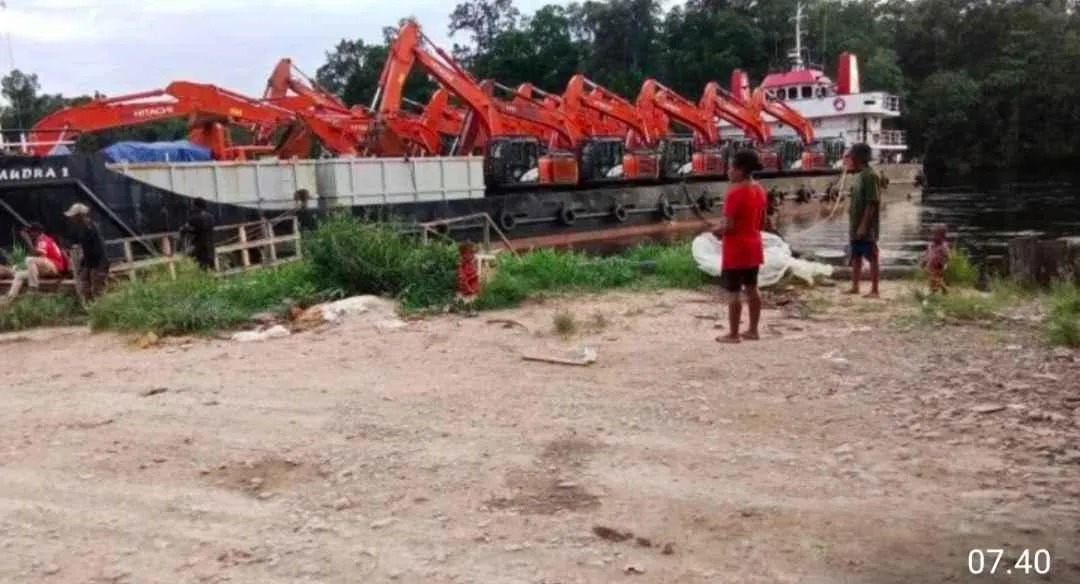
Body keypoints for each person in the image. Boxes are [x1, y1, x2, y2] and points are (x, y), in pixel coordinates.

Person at [713, 149, 768, 344]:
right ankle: (753, 330)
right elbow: (762, 222)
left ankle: (733, 334)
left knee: (734, 291)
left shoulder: (734, 192)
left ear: (741, 170)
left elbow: (729, 226)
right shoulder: (760, 190)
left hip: (735, 249)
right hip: (754, 245)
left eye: (731, 168)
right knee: (752, 288)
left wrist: (716, 230)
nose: (728, 172)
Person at [847, 142, 881, 298]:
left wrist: (863, 225)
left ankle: (874, 289)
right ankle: (855, 286)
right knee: (856, 255)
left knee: (872, 255)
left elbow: (871, 203)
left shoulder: (871, 176)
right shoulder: (858, 175)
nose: (850, 157)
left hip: (866, 226)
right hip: (855, 223)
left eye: (852, 154)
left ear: (859, 156)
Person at [3, 223, 68, 301]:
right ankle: (10, 296)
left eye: (30, 232)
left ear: (37, 232)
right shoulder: (40, 240)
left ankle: (33, 288)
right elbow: (37, 259)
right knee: (19, 274)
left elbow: (35, 254)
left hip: (55, 267)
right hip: (47, 267)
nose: (30, 234)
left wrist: (27, 239)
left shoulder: (43, 240)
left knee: (29, 259)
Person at [64, 203, 110, 305]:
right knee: (85, 287)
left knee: (98, 291)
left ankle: (103, 312)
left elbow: (97, 249)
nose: (71, 219)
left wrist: (95, 267)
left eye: (73, 216)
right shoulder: (84, 227)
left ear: (80, 215)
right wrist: (84, 264)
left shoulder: (90, 227)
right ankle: (91, 311)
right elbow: (87, 247)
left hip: (98, 263)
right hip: (90, 263)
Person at [180, 197, 217, 271]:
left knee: (202, 266)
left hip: (200, 245)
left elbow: (190, 229)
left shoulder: (194, 218)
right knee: (212, 265)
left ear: (196, 206)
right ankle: (215, 279)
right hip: (210, 244)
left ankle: (206, 280)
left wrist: (183, 229)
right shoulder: (211, 217)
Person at [923, 223, 950, 294]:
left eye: (935, 234)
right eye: (932, 234)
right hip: (931, 264)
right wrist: (924, 261)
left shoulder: (943, 246)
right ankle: (942, 289)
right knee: (934, 279)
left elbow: (947, 256)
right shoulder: (931, 244)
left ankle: (936, 291)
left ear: (942, 236)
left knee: (934, 278)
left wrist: (946, 264)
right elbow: (927, 253)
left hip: (938, 265)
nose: (933, 236)